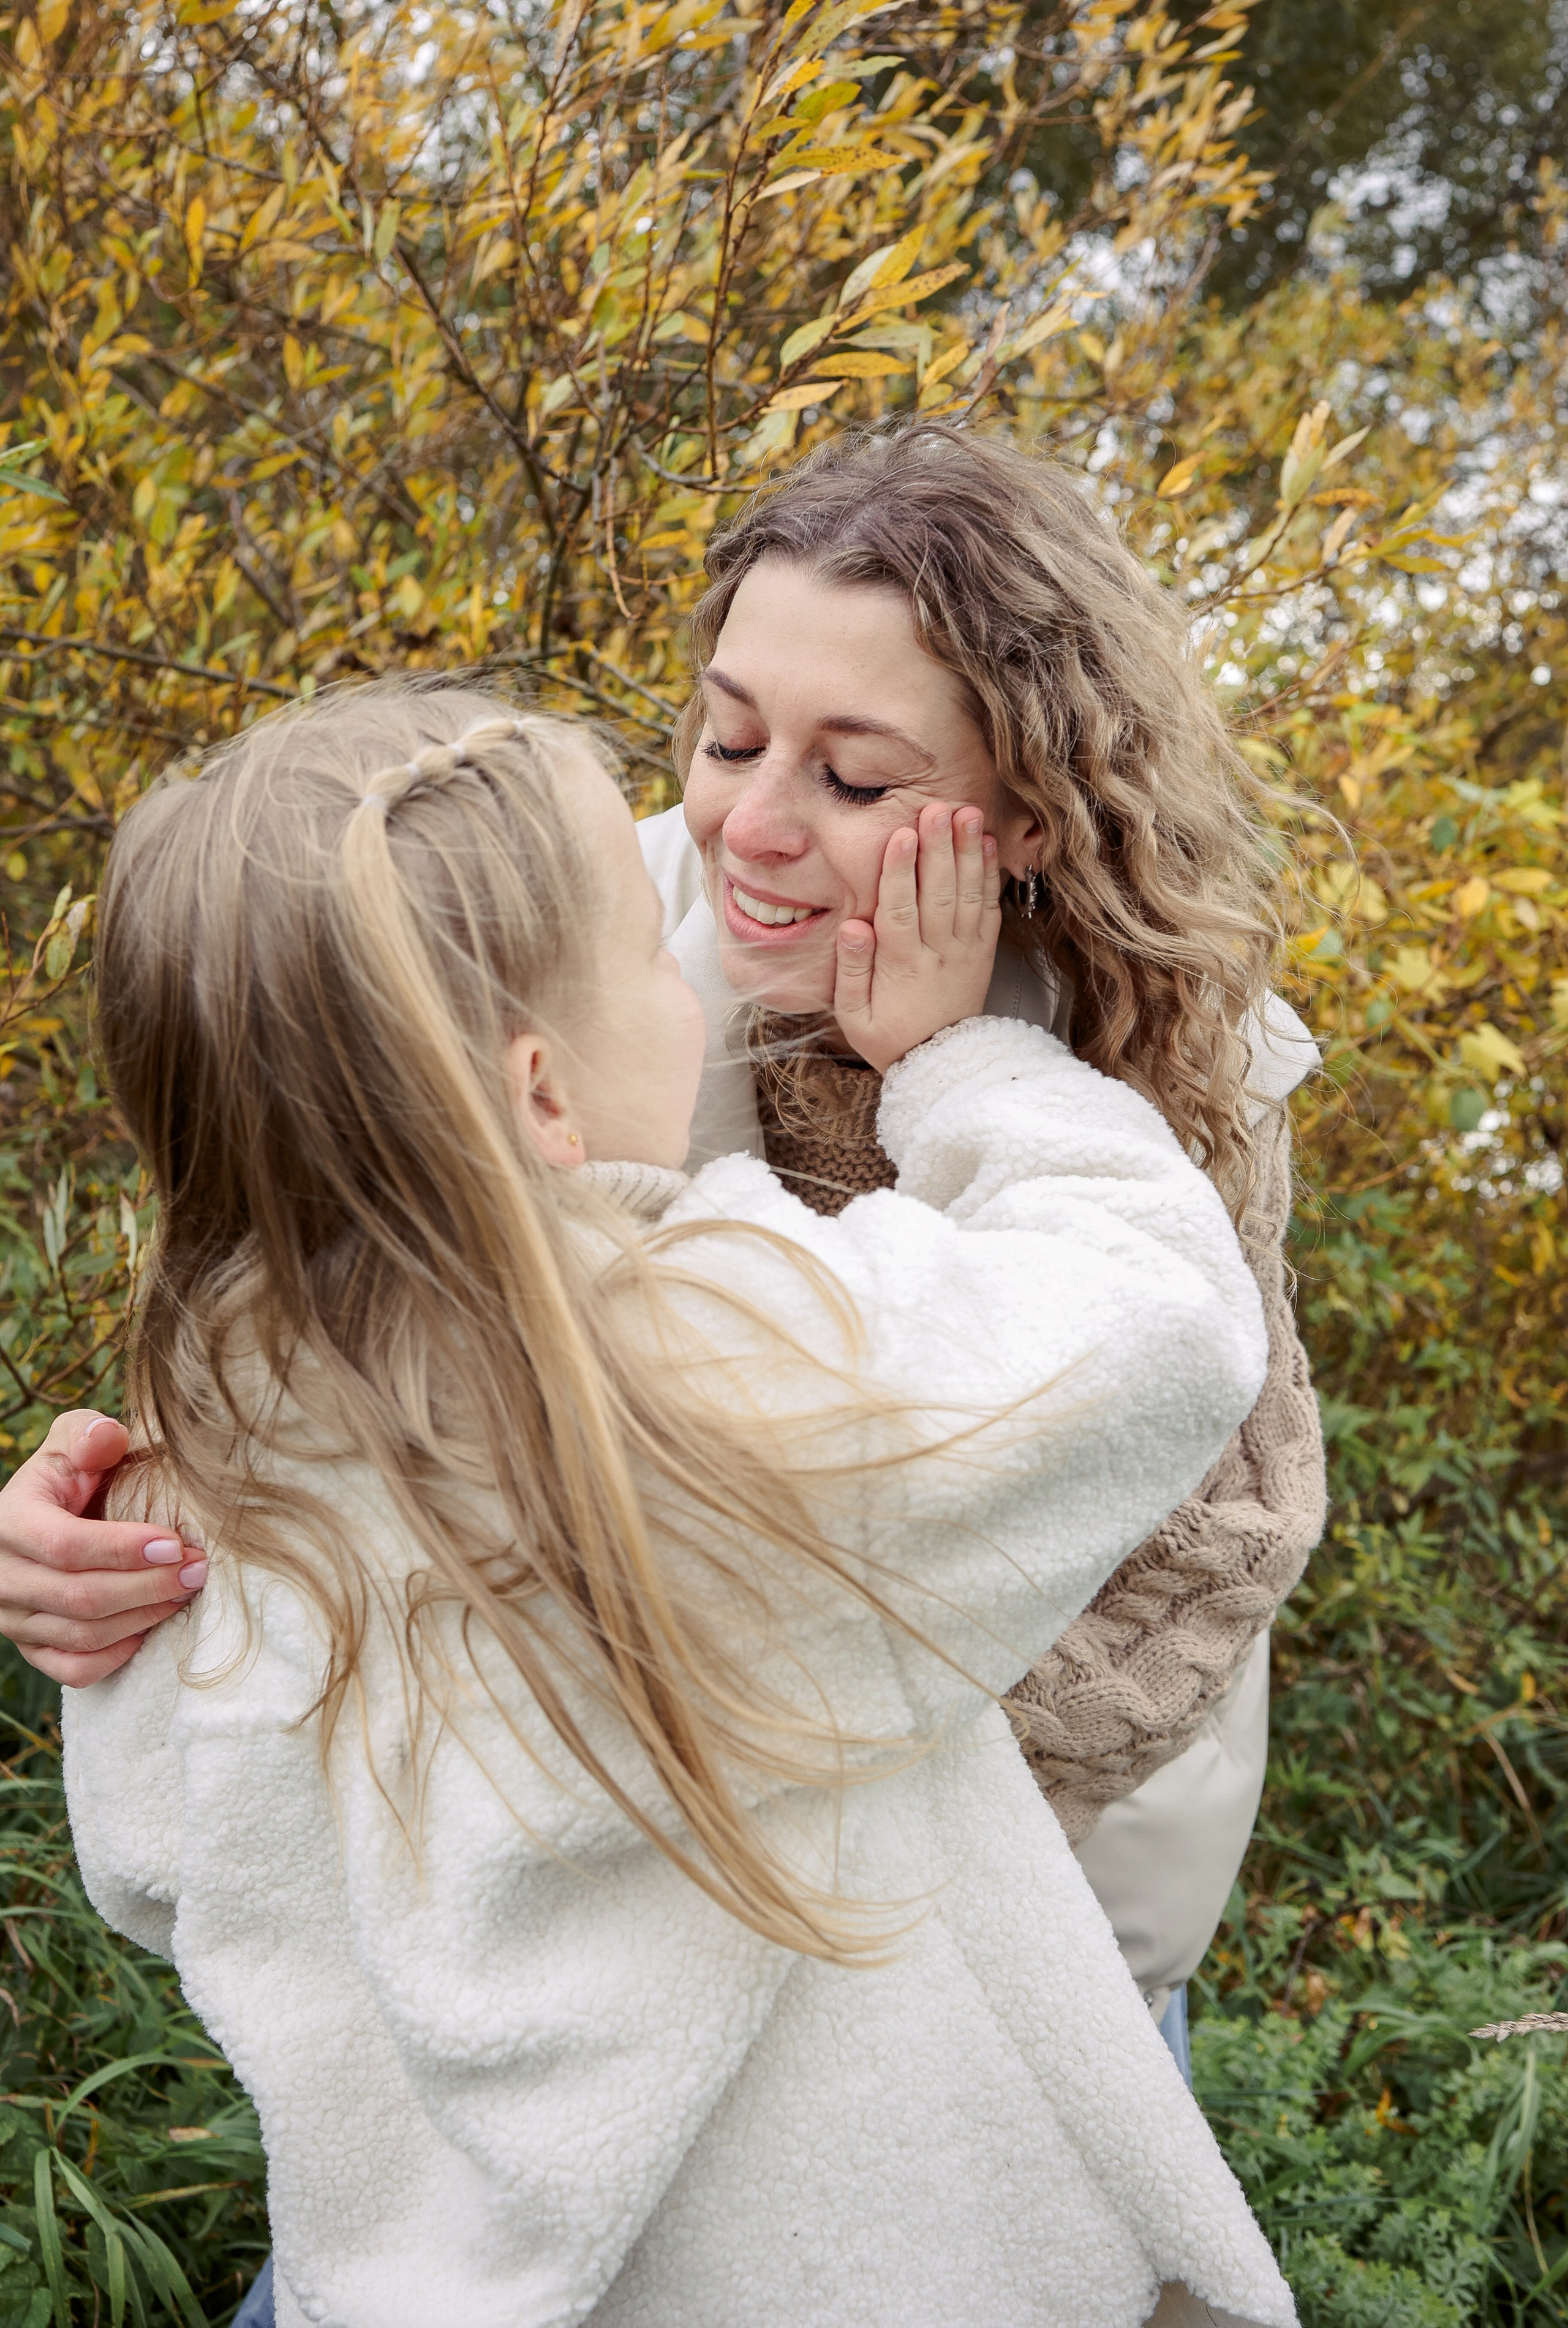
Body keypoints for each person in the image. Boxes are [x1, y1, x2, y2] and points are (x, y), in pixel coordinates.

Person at [0, 423, 1323, 2052]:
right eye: (724, 734)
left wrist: (943, 1069)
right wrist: (148, 1514)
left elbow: (1207, 1521)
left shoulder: (1175, 1050)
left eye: (852, 777)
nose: (746, 828)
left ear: (1031, 812)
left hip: (1037, 1951)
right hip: (590, 1947)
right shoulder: (580, 929)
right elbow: (342, 1294)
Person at [59, 679, 1296, 2328]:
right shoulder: (717, 1372)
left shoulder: (228, 1468)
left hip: (418, 2297)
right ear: (544, 1101)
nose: (702, 958)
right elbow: (1159, 1309)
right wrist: (959, 1059)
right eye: (660, 942)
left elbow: (153, 1865)